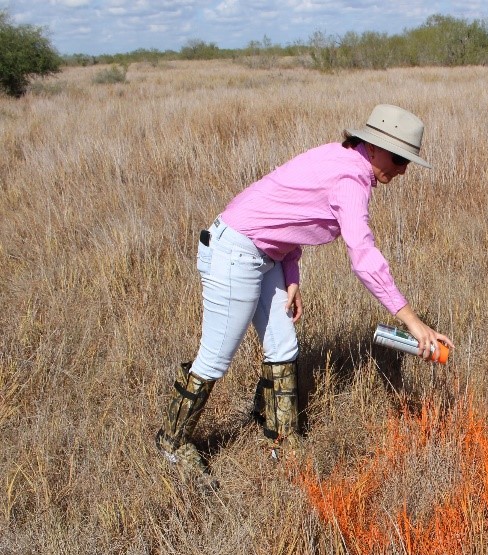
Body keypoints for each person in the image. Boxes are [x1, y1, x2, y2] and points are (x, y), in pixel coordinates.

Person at [155, 104, 454, 487]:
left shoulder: (340, 156)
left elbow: (288, 212)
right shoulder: (350, 178)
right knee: (215, 357)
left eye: (408, 161)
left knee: (283, 347)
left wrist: (291, 274)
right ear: (374, 147)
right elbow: (363, 256)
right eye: (399, 158)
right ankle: (172, 441)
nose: (402, 169)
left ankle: (282, 439)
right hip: (235, 254)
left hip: (265, 254)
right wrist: (411, 320)